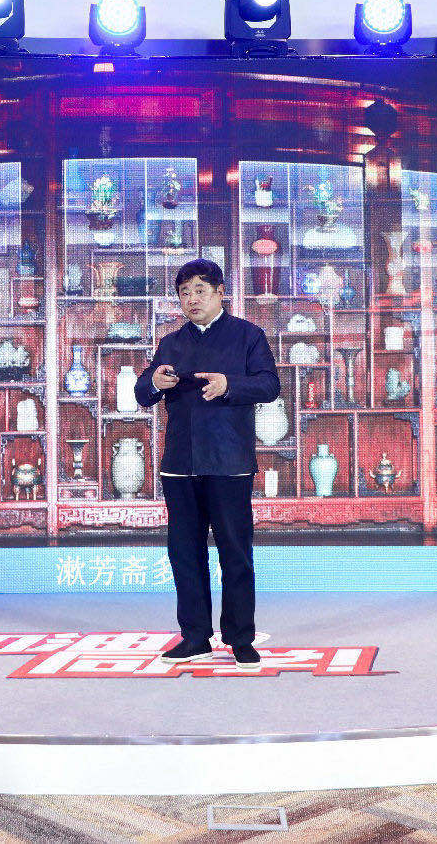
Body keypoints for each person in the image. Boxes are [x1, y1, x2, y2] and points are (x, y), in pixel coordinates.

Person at [135, 258, 280, 671]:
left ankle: (240, 639)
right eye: (184, 293)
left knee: (235, 553)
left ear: (220, 293)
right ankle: (195, 637)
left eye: (200, 290)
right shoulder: (171, 342)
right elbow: (143, 392)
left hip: (229, 461)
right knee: (185, 553)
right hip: (180, 464)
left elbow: (270, 385)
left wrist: (230, 385)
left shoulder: (248, 335)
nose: (192, 299)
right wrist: (154, 383)